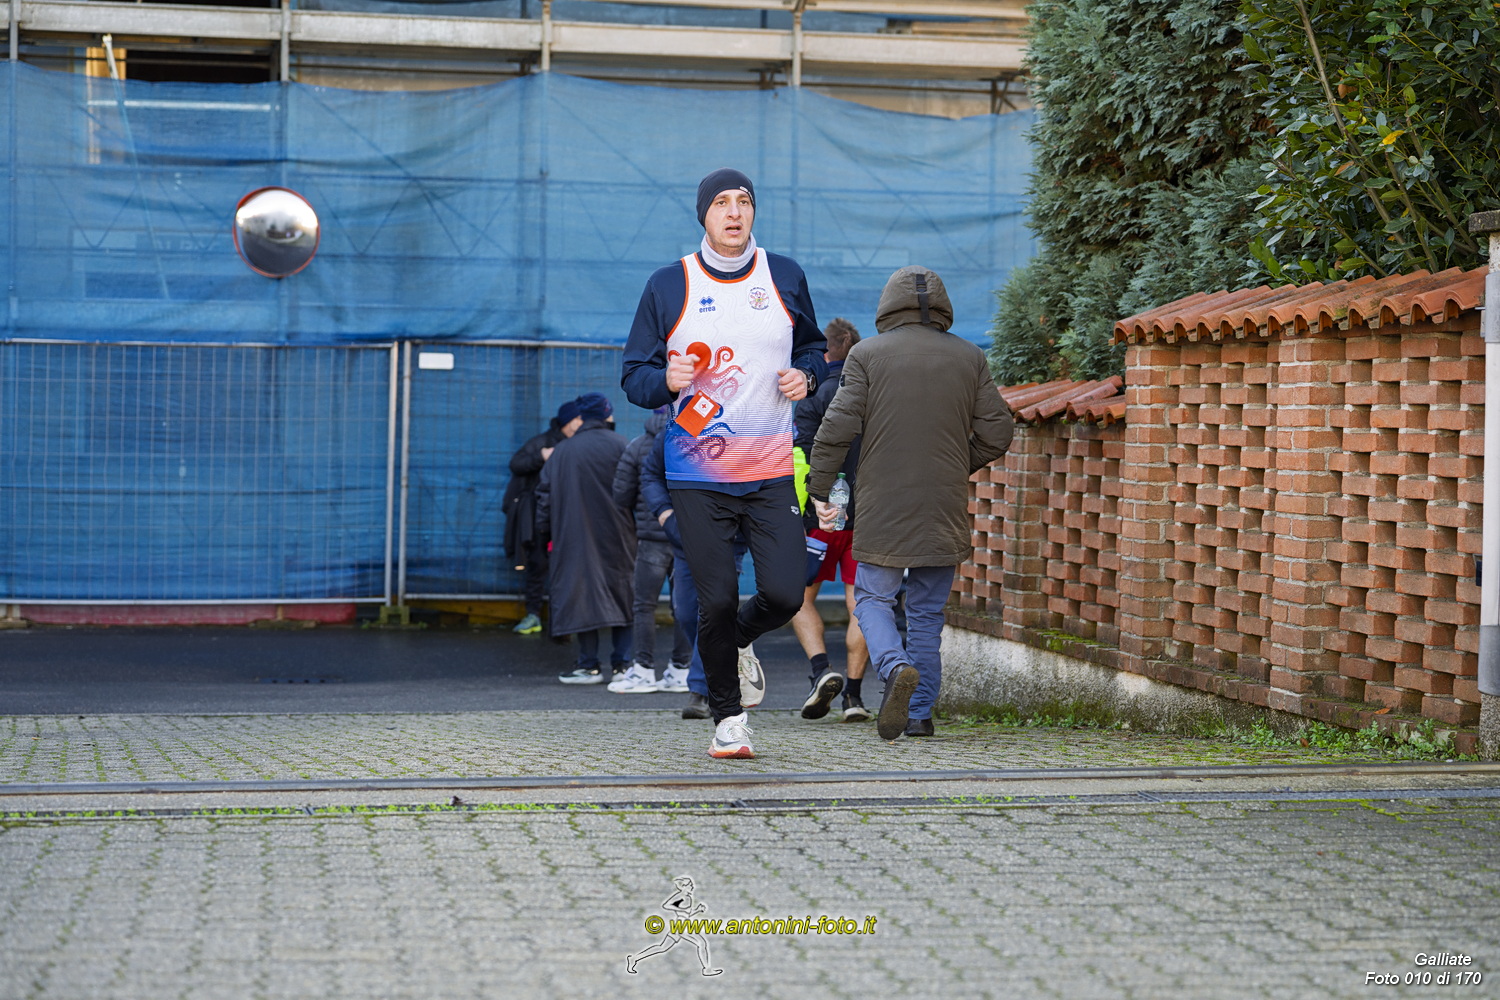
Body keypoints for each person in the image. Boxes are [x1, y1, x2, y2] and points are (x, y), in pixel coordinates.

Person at [621, 167, 827, 759]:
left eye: (744, 201)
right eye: (721, 203)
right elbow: (633, 376)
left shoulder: (784, 275)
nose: (734, 212)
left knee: (785, 594)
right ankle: (729, 719)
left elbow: (814, 348)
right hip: (698, 474)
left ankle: (732, 641)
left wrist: (807, 375)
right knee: (712, 600)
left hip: (770, 468)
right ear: (703, 214)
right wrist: (666, 378)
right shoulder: (670, 283)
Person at [808, 266, 1014, 741]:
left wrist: (820, 488)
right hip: (943, 504)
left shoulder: (866, 355)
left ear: (888, 305)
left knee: (873, 599)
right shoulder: (969, 356)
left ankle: (894, 666)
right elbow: (998, 431)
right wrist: (956, 465)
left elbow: (836, 428)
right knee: (925, 614)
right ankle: (919, 714)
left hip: (882, 502)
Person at [790, 317, 870, 722]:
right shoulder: (874, 393)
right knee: (864, 604)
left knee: (797, 598)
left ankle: (821, 671)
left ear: (824, 355)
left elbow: (800, 454)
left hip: (819, 519)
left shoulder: (813, 394)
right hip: (867, 517)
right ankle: (853, 697)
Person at [535, 392, 638, 684]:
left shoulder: (562, 451)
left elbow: (543, 498)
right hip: (621, 534)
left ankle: (588, 665)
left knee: (582, 595)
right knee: (624, 593)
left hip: (573, 536)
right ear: (607, 415)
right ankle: (623, 665)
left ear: (582, 417)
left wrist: (545, 532)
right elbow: (639, 492)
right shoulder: (623, 445)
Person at [610, 406, 693, 694]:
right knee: (684, 605)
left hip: (651, 538)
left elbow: (621, 495)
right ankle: (680, 671)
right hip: (686, 536)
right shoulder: (695, 438)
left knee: (644, 605)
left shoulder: (638, 445)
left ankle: (643, 671)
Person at [502, 400, 583, 635]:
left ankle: (568, 618)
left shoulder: (581, 443)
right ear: (568, 421)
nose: (582, 423)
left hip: (569, 516)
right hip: (540, 517)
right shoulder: (542, 442)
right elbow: (516, 464)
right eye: (578, 418)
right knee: (537, 565)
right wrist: (541, 456)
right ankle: (533, 615)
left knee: (570, 568)